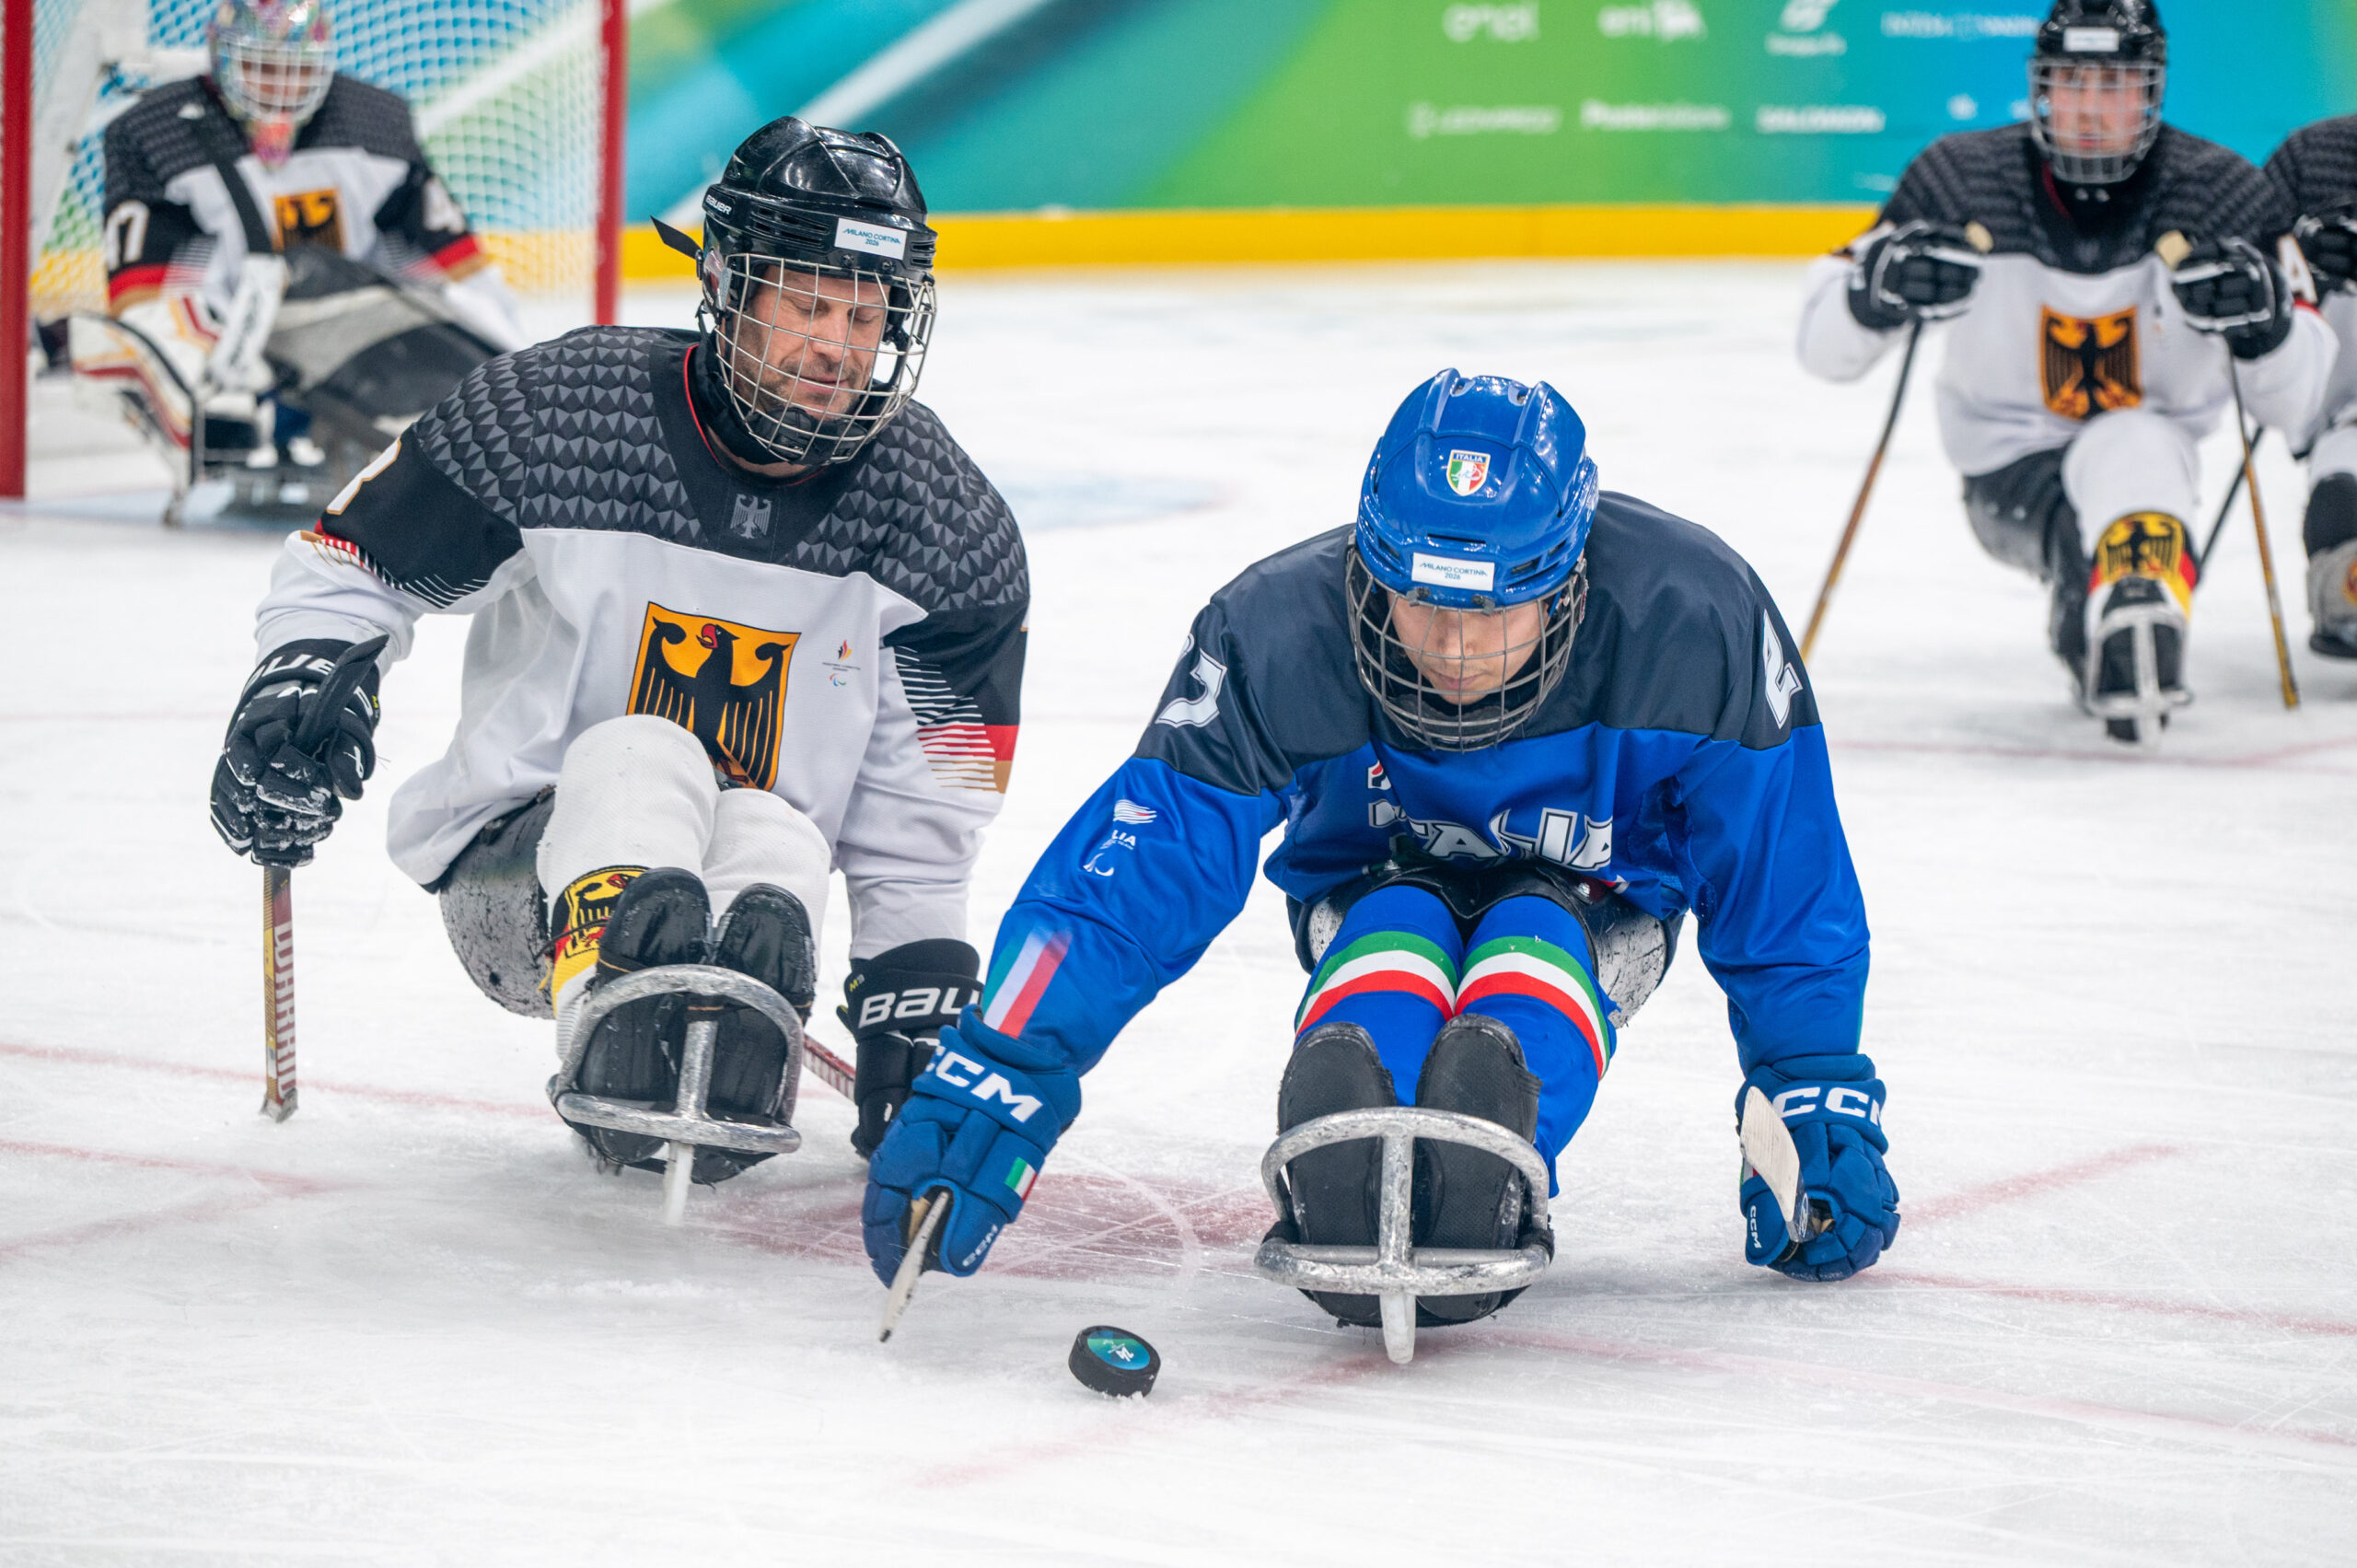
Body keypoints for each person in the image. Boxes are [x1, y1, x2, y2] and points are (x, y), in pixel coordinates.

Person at [860, 368, 1893, 1336]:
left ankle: (1489, 1161)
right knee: (1398, 927)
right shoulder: (1273, 627)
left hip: (1602, 899)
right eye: (1423, 603)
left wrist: (1807, 1076)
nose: (1452, 650)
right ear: (1369, 561)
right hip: (1367, 884)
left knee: (1534, 936)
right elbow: (1139, 869)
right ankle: (1357, 1147)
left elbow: (1779, 872)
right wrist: (1004, 1058)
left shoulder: (1694, 615)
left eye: (1494, 611)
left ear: (1569, 576)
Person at [206, 117, 1025, 1183]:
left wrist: (912, 1006)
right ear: (728, 284)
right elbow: (351, 560)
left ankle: (727, 1047)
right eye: (808, 304)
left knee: (777, 831)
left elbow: (925, 823)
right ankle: (615, 1007)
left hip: (741, 886)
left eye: (869, 315)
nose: (839, 347)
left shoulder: (947, 528)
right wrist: (304, 676)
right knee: (642, 752)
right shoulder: (562, 412)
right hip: (519, 883)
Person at [1796, 0, 2337, 746]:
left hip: (2148, 466)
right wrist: (1876, 293)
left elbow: (2299, 402)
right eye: (2072, 80)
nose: (2089, 108)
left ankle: (2131, 602)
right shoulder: (1961, 180)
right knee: (2125, 459)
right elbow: (1822, 349)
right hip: (2009, 472)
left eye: (2115, 84)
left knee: (2136, 441)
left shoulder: (2226, 194)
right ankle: (2105, 599)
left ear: (2153, 91)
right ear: (2040, 86)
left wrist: (2266, 328)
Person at [95, 0, 525, 470]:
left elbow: (457, 271)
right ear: (222, 60)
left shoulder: (376, 124)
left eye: (298, 70)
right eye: (261, 68)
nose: (282, 89)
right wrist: (211, 382)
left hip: (359, 343)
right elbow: (145, 300)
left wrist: (511, 365)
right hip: (237, 346)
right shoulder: (154, 134)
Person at [2263, 116, 2357, 659]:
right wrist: (2302, 266)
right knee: (2340, 502)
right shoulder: (2313, 160)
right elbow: (2242, 253)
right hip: (2347, 419)